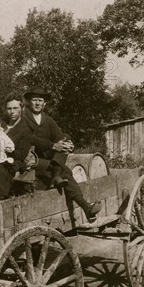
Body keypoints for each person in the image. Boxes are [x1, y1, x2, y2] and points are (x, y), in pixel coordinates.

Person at [22, 86, 102, 221]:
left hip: (49, 161)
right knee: (66, 172)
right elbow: (31, 139)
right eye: (34, 100)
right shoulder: (24, 119)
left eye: (40, 101)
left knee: (65, 140)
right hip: (33, 160)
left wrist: (67, 143)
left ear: (44, 103)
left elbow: (60, 136)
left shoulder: (48, 120)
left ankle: (58, 176)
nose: (37, 103)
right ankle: (85, 207)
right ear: (29, 102)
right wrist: (54, 146)